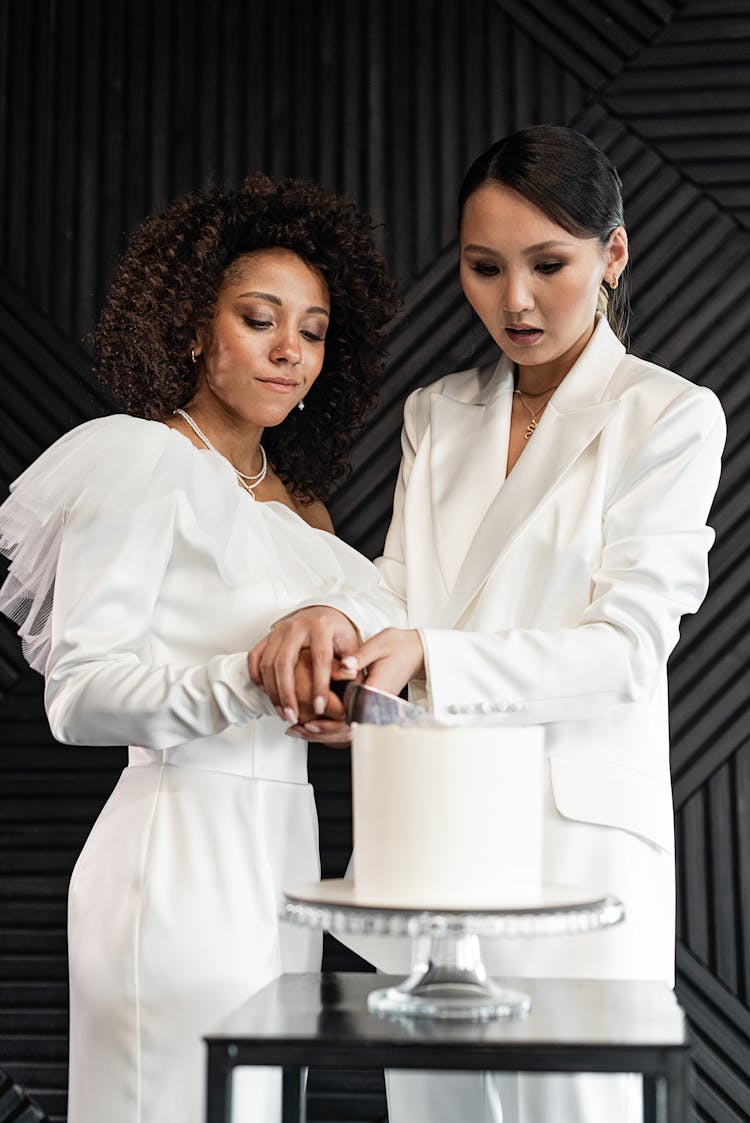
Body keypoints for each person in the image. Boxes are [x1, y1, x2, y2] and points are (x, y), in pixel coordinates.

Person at [249, 126, 726, 1123]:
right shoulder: (441, 410)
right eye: (484, 268)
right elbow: (399, 590)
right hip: (434, 835)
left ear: (614, 256)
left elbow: (626, 650)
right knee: (437, 1106)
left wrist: (431, 655)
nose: (515, 300)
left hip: (576, 844)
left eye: (549, 265)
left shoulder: (669, 416)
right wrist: (354, 658)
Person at [0, 173, 403, 1123]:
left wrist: (337, 710)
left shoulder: (306, 512)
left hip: (288, 859)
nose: (289, 351)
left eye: (311, 331)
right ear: (192, 326)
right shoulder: (141, 462)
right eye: (259, 319)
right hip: (176, 848)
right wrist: (253, 679)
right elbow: (79, 694)